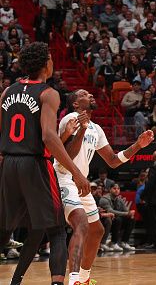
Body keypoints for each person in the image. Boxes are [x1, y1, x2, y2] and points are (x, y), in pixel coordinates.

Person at [0, 42, 90, 285]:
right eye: (50, 58)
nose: (52, 62)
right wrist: (77, 173)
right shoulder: (48, 93)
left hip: (8, 163)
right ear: (44, 64)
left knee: (6, 229)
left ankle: (15, 281)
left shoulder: (7, 92)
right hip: (34, 164)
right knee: (57, 229)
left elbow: (2, 132)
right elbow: (48, 136)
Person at [55, 89, 153, 284]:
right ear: (75, 104)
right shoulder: (70, 120)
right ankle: (74, 279)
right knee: (81, 224)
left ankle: (84, 278)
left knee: (97, 230)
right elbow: (66, 156)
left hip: (81, 182)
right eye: (84, 94)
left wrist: (137, 146)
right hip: (65, 177)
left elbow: (113, 161)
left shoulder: (96, 128)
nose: (90, 95)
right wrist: (81, 129)